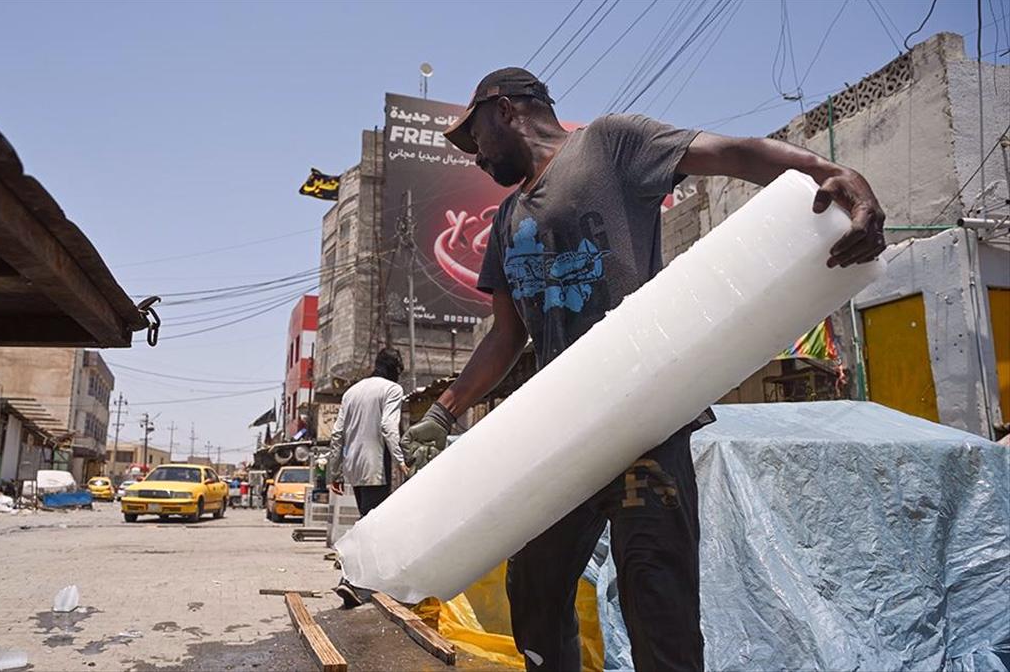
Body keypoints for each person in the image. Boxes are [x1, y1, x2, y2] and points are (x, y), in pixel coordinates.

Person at [400, 67, 885, 672]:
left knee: (657, 596)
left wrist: (832, 174)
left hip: (640, 425)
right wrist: (445, 410)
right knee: (535, 590)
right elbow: (506, 336)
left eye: (475, 139)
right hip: (555, 436)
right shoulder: (505, 220)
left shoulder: (609, 145)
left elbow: (735, 153)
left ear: (503, 110)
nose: (475, 158)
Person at [329, 348, 409, 608]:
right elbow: (388, 426)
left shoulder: (352, 391)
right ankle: (351, 580)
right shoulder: (392, 390)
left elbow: (337, 433)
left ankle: (362, 581)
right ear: (396, 369)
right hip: (377, 465)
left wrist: (335, 471)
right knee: (372, 526)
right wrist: (400, 459)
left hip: (354, 467)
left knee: (369, 521)